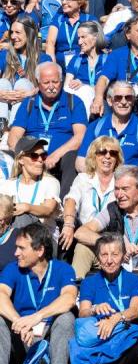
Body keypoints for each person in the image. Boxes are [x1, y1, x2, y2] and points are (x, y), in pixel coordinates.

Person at [64, 232, 138, 364]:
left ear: (123, 256)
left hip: (124, 332)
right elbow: (83, 312)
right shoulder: (89, 282)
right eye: (104, 255)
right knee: (77, 346)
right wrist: (94, 308)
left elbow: (134, 310)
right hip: (96, 333)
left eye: (114, 254)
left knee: (120, 349)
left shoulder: (134, 280)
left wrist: (115, 318)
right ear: (98, 257)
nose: (109, 260)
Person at [0, 222, 77, 364]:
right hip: (22, 337)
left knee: (66, 317)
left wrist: (37, 317)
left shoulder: (62, 269)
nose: (16, 253)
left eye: (21, 248)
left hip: (50, 340)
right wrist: (19, 322)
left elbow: (69, 299)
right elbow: (1, 295)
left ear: (40, 250)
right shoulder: (13, 269)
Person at [72, 165, 138, 278]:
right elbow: (80, 233)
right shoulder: (112, 209)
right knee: (82, 247)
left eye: (125, 189)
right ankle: (74, 290)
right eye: (117, 189)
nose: (119, 195)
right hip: (116, 263)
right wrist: (117, 245)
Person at [8, 62, 86, 191]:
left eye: (55, 82)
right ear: (38, 83)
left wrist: (55, 155)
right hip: (31, 156)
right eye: (46, 83)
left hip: (60, 158)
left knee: (72, 157)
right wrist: (25, 157)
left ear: (61, 81)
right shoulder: (29, 104)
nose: (51, 87)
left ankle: (64, 204)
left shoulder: (74, 102)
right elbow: (14, 136)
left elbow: (80, 136)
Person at [78, 81, 138, 178]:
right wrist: (97, 179)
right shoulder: (95, 126)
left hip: (126, 186)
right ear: (110, 101)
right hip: (97, 181)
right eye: (118, 98)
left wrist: (129, 182)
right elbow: (80, 161)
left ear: (133, 100)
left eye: (128, 98)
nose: (123, 102)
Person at [61, 136, 123, 253]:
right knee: (79, 246)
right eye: (102, 152)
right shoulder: (83, 179)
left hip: (113, 238)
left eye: (113, 153)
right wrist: (68, 225)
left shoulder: (121, 182)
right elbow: (71, 200)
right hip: (86, 236)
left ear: (117, 159)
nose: (107, 156)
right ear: (94, 156)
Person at [0, 137, 62, 239]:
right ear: (20, 159)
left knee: (23, 218)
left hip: (44, 238)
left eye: (43, 155)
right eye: (34, 156)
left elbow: (48, 210)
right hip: (12, 235)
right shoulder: (7, 185)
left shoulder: (50, 182)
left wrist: (27, 207)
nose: (40, 160)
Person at [0, 15, 49, 122]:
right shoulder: (4, 55)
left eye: (18, 32)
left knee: (23, 83)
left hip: (30, 107)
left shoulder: (44, 58)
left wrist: (29, 94)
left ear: (29, 34)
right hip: (5, 104)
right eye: (11, 32)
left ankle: (14, 128)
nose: (12, 36)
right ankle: (1, 126)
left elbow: (50, 87)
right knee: (2, 82)